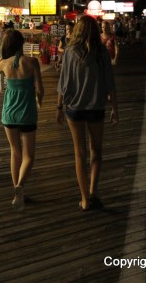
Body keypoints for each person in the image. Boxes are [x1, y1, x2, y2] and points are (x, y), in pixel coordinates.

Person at [56, 15, 118, 211]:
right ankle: (93, 191)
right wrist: (115, 109)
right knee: (96, 151)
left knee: (79, 153)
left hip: (73, 108)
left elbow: (63, 84)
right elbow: (110, 84)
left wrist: (59, 108)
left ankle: (84, 199)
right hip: (96, 107)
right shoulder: (101, 52)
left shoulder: (69, 52)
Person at [0, 29, 44, 211]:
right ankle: (20, 187)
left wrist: (3, 58)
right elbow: (40, 89)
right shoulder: (32, 62)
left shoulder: (4, 64)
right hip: (27, 113)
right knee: (29, 155)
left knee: (15, 151)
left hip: (9, 113)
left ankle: (17, 190)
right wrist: (40, 101)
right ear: (22, 44)